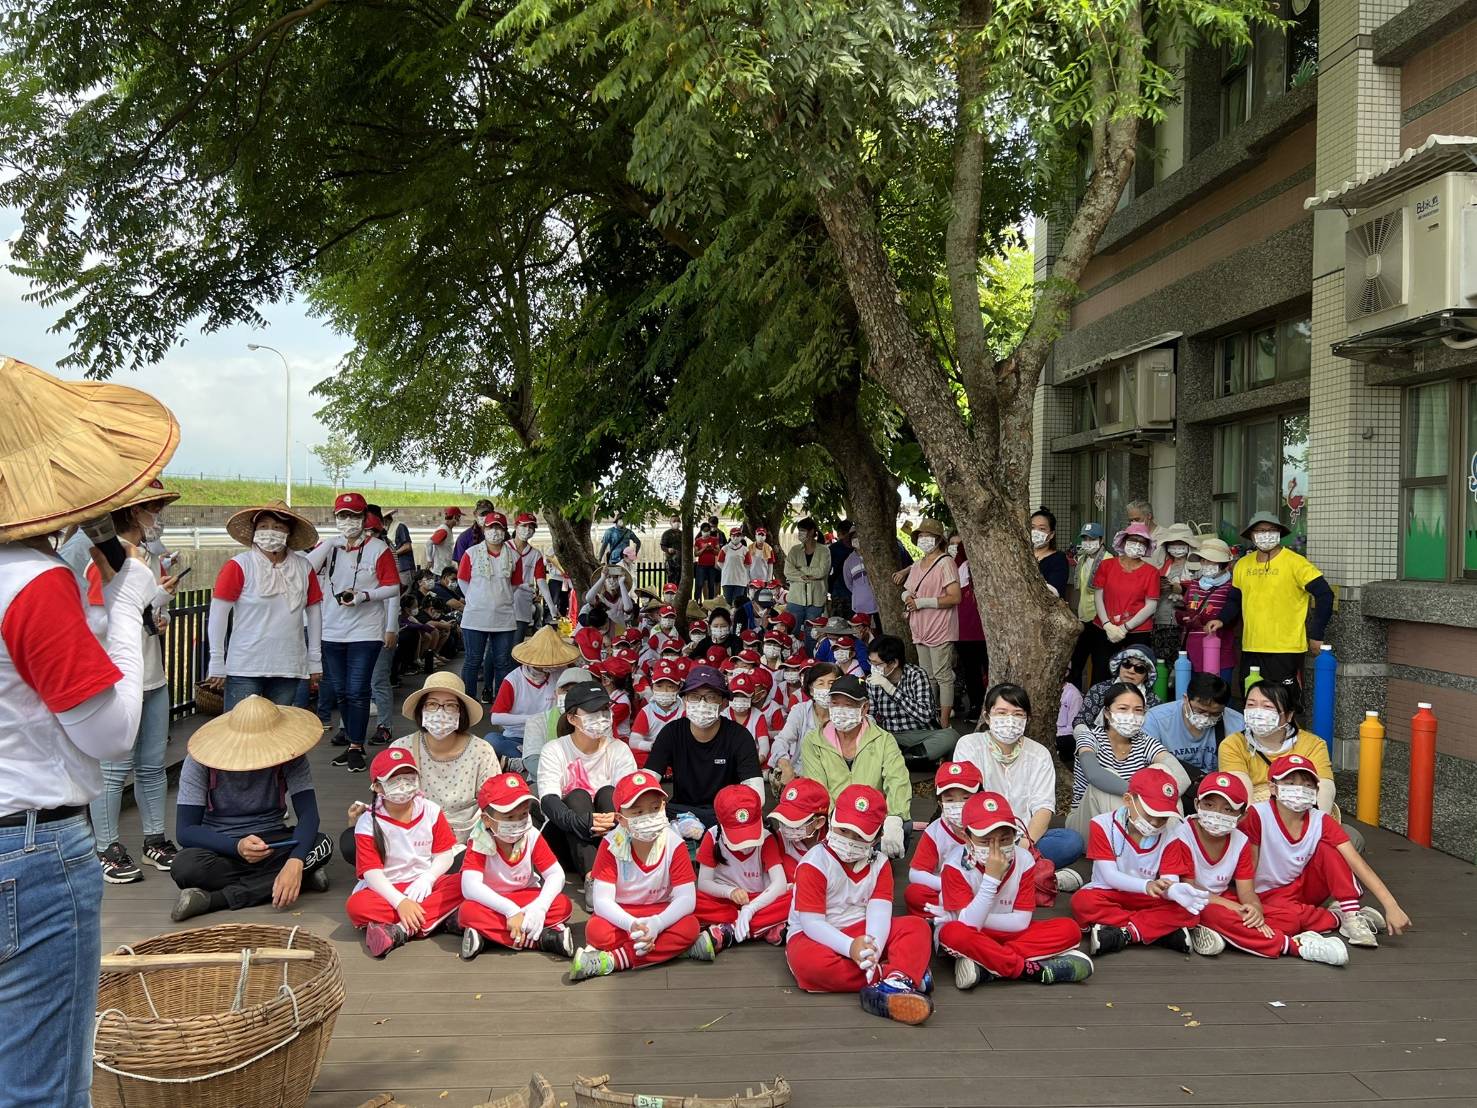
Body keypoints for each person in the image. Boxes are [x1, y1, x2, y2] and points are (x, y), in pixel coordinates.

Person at [0, 355, 177, 1107]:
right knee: (43, 1088)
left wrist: (98, 616)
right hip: (30, 850)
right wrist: (131, 601)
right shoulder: (30, 582)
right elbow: (107, 732)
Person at [82, 480, 184, 884]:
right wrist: (150, 601)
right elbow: (97, 622)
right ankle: (106, 847)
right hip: (117, 680)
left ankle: (155, 839)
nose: (155, 517)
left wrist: (159, 611)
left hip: (153, 676)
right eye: (152, 508)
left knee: (152, 765)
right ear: (131, 511)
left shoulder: (148, 557)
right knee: (112, 771)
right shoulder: (100, 560)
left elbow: (147, 619)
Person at [170, 696, 334, 922]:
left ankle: (215, 900)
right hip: (222, 845)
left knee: (323, 844)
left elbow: (309, 815)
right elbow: (185, 830)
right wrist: (236, 846)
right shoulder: (199, 761)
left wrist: (295, 860)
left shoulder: (290, 755)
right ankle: (297, 878)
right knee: (185, 867)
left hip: (272, 842)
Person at [1161, 772, 1348, 965]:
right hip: (1192, 902)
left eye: (1228, 809)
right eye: (1209, 805)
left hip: (1224, 899)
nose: (1217, 814)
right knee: (1212, 914)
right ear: (1197, 803)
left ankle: (1226, 934)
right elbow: (1191, 892)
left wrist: (1254, 909)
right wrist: (1236, 908)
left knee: (1288, 920)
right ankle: (1293, 947)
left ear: (1241, 815)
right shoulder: (1181, 836)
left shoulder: (1240, 841)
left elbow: (1247, 891)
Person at [784, 784, 933, 1024]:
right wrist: (850, 947)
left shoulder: (879, 864)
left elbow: (879, 912)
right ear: (832, 821)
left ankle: (893, 981)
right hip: (815, 935)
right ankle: (899, 976)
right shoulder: (815, 863)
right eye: (844, 830)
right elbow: (812, 923)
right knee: (807, 964)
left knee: (917, 927)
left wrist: (871, 948)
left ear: (877, 837)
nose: (849, 841)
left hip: (862, 930)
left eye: (860, 836)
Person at [1243, 755, 1409, 948]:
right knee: (1291, 920)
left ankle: (1350, 913)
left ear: (1316, 791)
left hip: (1305, 888)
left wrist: (1391, 905)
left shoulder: (1321, 819)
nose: (1299, 790)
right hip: (1267, 893)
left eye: (1307, 785)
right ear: (1273, 787)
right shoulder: (1257, 814)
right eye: (1290, 782)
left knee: (1329, 849)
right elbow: (1249, 868)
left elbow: (1356, 862)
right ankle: (1339, 916)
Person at [937, 792, 1095, 989]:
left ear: (1014, 835)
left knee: (1070, 929)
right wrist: (991, 879)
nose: (996, 849)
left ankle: (988, 966)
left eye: (1004, 839)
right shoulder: (954, 866)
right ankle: (1030, 970)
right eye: (985, 842)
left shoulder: (1025, 860)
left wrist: (985, 931)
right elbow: (968, 924)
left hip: (1010, 933)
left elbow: (1021, 922)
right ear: (966, 837)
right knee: (952, 933)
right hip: (972, 934)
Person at [570, 770, 713, 980]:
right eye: (637, 812)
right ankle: (677, 950)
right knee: (596, 930)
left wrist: (657, 923)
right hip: (624, 915)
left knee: (690, 926)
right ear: (621, 819)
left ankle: (613, 960)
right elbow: (602, 901)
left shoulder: (674, 843)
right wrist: (631, 925)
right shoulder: (610, 846)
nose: (648, 817)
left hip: (662, 911)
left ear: (664, 807)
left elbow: (687, 898)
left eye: (655, 808)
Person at [348, 672, 500, 857]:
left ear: (461, 713)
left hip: (466, 840)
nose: (440, 712)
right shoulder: (402, 748)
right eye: (432, 704)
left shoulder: (481, 751)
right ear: (421, 709)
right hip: (410, 836)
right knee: (351, 846)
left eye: (450, 706)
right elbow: (387, 798)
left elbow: (495, 804)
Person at [307, 492, 400, 773]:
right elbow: (304, 570)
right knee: (341, 691)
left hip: (365, 630)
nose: (348, 521)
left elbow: (393, 587)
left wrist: (363, 596)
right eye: (342, 516)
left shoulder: (378, 549)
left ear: (364, 519)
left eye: (353, 516)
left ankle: (357, 745)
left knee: (358, 690)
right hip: (332, 630)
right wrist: (330, 545)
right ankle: (350, 741)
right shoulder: (329, 547)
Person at [953, 684, 1085, 877]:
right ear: (987, 716)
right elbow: (966, 800)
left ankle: (1010, 872)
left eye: (1017, 714)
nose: (1010, 720)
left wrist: (1021, 850)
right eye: (1002, 712)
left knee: (1071, 842)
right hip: (980, 838)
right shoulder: (969, 746)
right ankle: (1033, 876)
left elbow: (1043, 808)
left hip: (1022, 839)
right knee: (949, 841)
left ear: (1027, 719)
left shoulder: (1039, 754)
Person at [205, 500, 322, 711]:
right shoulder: (239, 565)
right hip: (245, 666)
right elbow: (218, 614)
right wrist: (216, 660)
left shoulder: (304, 568)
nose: (271, 532)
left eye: (278, 527)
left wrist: (315, 660)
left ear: (288, 532)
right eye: (264, 526)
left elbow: (314, 614)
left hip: (288, 664)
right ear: (254, 531)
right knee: (240, 733)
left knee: (277, 734)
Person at [1070, 766, 1200, 956]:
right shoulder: (1102, 824)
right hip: (1109, 893)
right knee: (1082, 902)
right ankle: (1158, 932)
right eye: (1150, 813)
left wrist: (1174, 891)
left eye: (1163, 817)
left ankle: (1124, 933)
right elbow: (1109, 876)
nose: (1156, 823)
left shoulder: (1172, 833)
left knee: (1190, 912)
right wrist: (1147, 885)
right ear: (1128, 800)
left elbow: (1169, 880)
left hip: (1149, 898)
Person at [347, 748, 462, 958]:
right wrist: (400, 902)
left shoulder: (431, 810)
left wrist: (428, 878)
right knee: (357, 906)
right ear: (377, 786)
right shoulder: (367, 822)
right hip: (386, 889)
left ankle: (400, 930)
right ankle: (438, 919)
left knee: (463, 884)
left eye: (409, 778)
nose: (403, 785)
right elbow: (372, 873)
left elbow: (445, 854)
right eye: (393, 780)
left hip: (425, 885)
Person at [1216, 682, 1358, 853]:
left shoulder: (1313, 744)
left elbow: (1325, 787)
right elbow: (1242, 793)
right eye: (1251, 705)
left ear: (1289, 715)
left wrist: (1314, 829)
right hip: (1257, 820)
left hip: (1304, 816)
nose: (1258, 712)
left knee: (1354, 839)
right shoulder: (1232, 745)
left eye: (1267, 706)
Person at [1203, 512, 1335, 691]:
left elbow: (1325, 594)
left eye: (1271, 530)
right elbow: (1235, 599)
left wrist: (1317, 634)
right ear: (1251, 536)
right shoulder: (1242, 564)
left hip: (1286, 649)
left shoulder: (1296, 562)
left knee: (1285, 702)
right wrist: (1221, 619)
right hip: (1251, 647)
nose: (1265, 534)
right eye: (1259, 531)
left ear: (1279, 533)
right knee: (1251, 701)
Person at [458, 772, 575, 959]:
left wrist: (540, 907)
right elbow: (469, 886)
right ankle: (543, 939)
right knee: (467, 912)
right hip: (493, 903)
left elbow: (556, 874)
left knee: (562, 905)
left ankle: (488, 937)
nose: (518, 822)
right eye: (510, 817)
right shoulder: (479, 841)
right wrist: (510, 911)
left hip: (527, 898)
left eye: (523, 814)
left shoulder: (532, 835)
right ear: (487, 819)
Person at [536, 680, 639, 890]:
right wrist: (581, 822)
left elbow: (631, 799)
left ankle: (614, 870)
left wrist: (610, 818)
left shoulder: (619, 749)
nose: (601, 718)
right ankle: (595, 879)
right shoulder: (554, 749)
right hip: (564, 839)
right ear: (573, 718)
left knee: (609, 793)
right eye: (593, 712)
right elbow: (548, 801)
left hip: (610, 837)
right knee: (577, 796)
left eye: (604, 710)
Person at [798, 675, 911, 858]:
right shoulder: (813, 741)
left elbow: (898, 780)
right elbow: (817, 789)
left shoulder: (884, 740)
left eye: (848, 705)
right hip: (833, 820)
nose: (840, 710)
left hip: (872, 818)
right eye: (835, 703)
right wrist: (841, 826)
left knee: (903, 826)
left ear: (864, 707)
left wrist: (894, 819)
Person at [643, 666, 764, 831]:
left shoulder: (740, 737)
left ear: (723, 702)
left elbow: (757, 795)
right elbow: (648, 780)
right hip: (681, 812)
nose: (702, 703)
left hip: (724, 814)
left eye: (711, 697)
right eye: (694, 696)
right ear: (684, 700)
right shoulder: (671, 732)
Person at [1067, 681, 1188, 838]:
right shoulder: (1090, 737)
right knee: (1104, 782)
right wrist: (1141, 794)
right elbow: (1094, 774)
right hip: (1086, 823)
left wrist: (1155, 794)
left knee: (1164, 775)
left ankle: (1170, 845)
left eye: (1138, 710)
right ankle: (1127, 847)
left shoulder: (1145, 741)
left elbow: (1182, 777)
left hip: (1134, 815)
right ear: (1107, 713)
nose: (1131, 715)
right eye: (1123, 709)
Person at [696, 784, 792, 950]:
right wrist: (730, 892)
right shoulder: (712, 836)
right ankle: (764, 926)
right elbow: (704, 883)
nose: (745, 845)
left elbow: (779, 883)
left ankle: (729, 930)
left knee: (794, 895)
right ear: (720, 824)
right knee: (692, 900)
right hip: (724, 901)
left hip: (760, 900)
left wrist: (751, 909)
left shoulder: (767, 838)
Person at [898, 518, 961, 729]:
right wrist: (907, 598)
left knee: (943, 676)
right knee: (927, 676)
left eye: (929, 536)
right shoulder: (917, 564)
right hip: (920, 628)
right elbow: (907, 590)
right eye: (922, 536)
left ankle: (944, 722)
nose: (924, 539)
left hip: (940, 628)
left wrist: (921, 603)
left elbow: (954, 597)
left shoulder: (946, 563)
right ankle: (929, 715)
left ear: (938, 539)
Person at [457, 509, 524, 702]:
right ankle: (468, 701)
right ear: (483, 529)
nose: (495, 532)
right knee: (472, 661)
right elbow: (463, 581)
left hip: (503, 617)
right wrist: (477, 599)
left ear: (505, 531)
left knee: (503, 662)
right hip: (475, 617)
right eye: (491, 527)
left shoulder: (514, 557)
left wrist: (499, 598)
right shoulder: (471, 553)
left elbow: (515, 584)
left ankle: (501, 700)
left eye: (499, 528)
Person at [865, 634, 958, 765]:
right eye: (870, 662)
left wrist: (890, 689)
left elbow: (925, 715)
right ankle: (919, 761)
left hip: (922, 734)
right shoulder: (872, 680)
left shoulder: (916, 675)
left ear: (894, 663)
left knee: (951, 737)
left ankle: (897, 761)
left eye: (877, 664)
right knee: (870, 742)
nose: (873, 668)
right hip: (892, 736)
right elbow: (872, 715)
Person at [486, 626, 573, 763]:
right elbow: (496, 718)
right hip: (518, 736)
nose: (551, 665)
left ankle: (528, 759)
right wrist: (534, 719)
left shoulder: (561, 672)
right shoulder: (513, 680)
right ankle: (534, 758)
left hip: (550, 735)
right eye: (545, 660)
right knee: (492, 740)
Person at [905, 761, 980, 918]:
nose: (959, 805)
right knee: (914, 894)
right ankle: (954, 913)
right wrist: (948, 885)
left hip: (981, 888)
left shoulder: (988, 827)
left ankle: (951, 914)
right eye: (950, 800)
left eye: (966, 797)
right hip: (945, 889)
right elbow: (915, 873)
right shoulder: (935, 831)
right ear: (941, 803)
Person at [1141, 673, 1244, 787]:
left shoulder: (1237, 723)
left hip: (1217, 789)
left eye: (1215, 714)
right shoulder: (1156, 720)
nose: (1206, 717)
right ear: (1186, 699)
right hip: (1170, 785)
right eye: (1200, 711)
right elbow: (1144, 765)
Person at [1088, 521, 1160, 683]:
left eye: (1142, 542)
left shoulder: (1151, 572)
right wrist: (1107, 624)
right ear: (1124, 541)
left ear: (1147, 547)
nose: (1136, 545)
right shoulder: (1106, 565)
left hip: (1138, 631)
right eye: (1133, 540)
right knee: (1101, 671)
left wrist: (1124, 628)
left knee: (1134, 675)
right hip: (1104, 627)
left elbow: (1151, 605)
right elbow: (1098, 595)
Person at [1072, 644, 1162, 744]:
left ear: (1147, 676)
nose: (1131, 670)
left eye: (1139, 668)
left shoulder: (1153, 702)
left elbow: (1156, 734)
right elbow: (1081, 720)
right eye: (1127, 664)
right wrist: (1089, 743)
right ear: (1119, 666)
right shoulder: (1099, 690)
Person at [1178, 537, 1238, 682]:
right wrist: (1184, 617)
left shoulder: (1232, 587)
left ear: (1225, 564)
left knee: (1219, 694)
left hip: (1220, 651)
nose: (1206, 564)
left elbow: (1233, 611)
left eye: (1212, 561)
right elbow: (1183, 609)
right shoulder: (1194, 585)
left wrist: (1215, 620)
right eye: (1203, 560)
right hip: (1193, 651)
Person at [770, 662, 840, 784]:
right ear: (811, 690)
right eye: (820, 683)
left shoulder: (845, 714)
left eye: (831, 684)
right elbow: (782, 740)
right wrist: (786, 766)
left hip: (836, 776)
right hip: (802, 775)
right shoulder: (800, 710)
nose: (826, 689)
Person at [523, 666, 593, 784]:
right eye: (566, 690)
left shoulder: (599, 721)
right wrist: (568, 778)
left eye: (578, 691)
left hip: (589, 783)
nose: (571, 695)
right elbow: (532, 761)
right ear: (556, 693)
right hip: (544, 783)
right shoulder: (536, 721)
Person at [1067, 522, 1109, 690]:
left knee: (1100, 665)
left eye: (1092, 538)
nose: (1087, 542)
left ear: (1101, 540)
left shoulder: (1108, 560)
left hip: (1101, 620)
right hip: (1084, 618)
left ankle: (1095, 701)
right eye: (1085, 538)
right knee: (1076, 662)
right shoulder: (1082, 560)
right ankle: (1073, 698)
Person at [950, 535, 988, 723]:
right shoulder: (956, 567)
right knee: (971, 671)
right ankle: (976, 705)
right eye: (953, 544)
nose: (956, 549)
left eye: (959, 545)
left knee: (986, 670)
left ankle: (989, 707)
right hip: (963, 630)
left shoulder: (988, 566)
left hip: (985, 631)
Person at [1152, 523, 1199, 666]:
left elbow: (1199, 596)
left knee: (1182, 664)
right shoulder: (1163, 566)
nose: (1177, 549)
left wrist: (1184, 591)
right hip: (1162, 619)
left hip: (1185, 623)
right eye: (1173, 545)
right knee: (1161, 663)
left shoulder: (1198, 567)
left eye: (1181, 545)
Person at [768, 776, 831, 879]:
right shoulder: (777, 840)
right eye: (783, 819)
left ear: (819, 822)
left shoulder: (834, 845)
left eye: (794, 821)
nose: (786, 826)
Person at [509, 512, 554, 641]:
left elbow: (541, 581)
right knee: (497, 647)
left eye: (531, 527)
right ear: (516, 526)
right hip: (503, 601)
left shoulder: (536, 554)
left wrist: (551, 605)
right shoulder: (504, 548)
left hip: (523, 602)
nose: (527, 530)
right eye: (524, 526)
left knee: (517, 645)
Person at [630, 658, 685, 766]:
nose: (664, 691)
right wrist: (652, 746)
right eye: (659, 686)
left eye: (670, 687)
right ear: (652, 687)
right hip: (652, 751)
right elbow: (633, 741)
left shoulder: (684, 710)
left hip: (677, 752)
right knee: (634, 754)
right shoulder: (646, 711)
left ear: (678, 688)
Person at [786, 516, 829, 629]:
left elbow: (822, 572)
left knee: (812, 634)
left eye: (803, 530)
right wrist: (803, 576)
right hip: (795, 599)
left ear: (811, 531)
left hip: (816, 600)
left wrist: (801, 569)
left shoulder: (824, 550)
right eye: (799, 530)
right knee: (791, 631)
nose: (800, 533)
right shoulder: (794, 550)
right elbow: (788, 571)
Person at [1030, 507, 1070, 598]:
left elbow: (1054, 591)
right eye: (1032, 527)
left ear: (1051, 534)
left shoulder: (1058, 559)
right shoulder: (1021, 555)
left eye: (1042, 529)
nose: (1035, 532)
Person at [1125, 498, 1167, 567]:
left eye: (1137, 519)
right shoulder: (1127, 536)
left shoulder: (1165, 535)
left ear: (1149, 516)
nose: (1133, 523)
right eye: (1131, 520)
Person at [452, 498, 495, 565]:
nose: (486, 517)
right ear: (475, 514)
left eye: (488, 514)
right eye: (482, 514)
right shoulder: (464, 538)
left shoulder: (499, 534)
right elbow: (460, 565)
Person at [828, 520, 856, 618]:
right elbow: (828, 571)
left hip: (856, 593)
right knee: (838, 623)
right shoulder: (834, 549)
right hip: (839, 592)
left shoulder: (858, 547)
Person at [718, 527, 752, 607]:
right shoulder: (725, 549)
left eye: (738, 535)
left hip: (740, 581)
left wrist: (745, 576)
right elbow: (720, 562)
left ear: (741, 536)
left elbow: (748, 565)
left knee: (737, 603)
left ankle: (737, 618)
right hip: (727, 580)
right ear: (730, 536)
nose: (736, 537)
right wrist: (727, 569)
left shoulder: (745, 550)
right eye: (733, 535)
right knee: (728, 602)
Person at [426, 506, 463, 574]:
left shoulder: (448, 529)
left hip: (444, 568)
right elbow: (429, 543)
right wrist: (429, 560)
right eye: (459, 517)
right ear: (455, 517)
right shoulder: (444, 531)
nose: (460, 519)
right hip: (440, 570)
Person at [384, 509, 416, 587]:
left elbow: (407, 546)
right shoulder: (388, 530)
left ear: (385, 520)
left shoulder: (400, 527)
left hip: (405, 567)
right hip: (396, 568)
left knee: (407, 592)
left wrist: (393, 554)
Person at [694, 520, 721, 600]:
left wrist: (712, 548)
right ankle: (697, 601)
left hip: (712, 566)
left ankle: (710, 601)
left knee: (711, 585)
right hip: (701, 566)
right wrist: (704, 548)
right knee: (699, 584)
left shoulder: (714, 539)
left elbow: (718, 552)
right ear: (701, 531)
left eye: (708, 531)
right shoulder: (698, 541)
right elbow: (696, 554)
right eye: (705, 531)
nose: (706, 532)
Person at [660, 515, 684, 585]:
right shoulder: (667, 534)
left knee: (680, 582)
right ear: (670, 523)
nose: (677, 522)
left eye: (678, 520)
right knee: (671, 583)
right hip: (671, 563)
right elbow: (662, 546)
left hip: (682, 562)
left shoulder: (683, 534)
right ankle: (672, 596)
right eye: (674, 521)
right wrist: (668, 549)